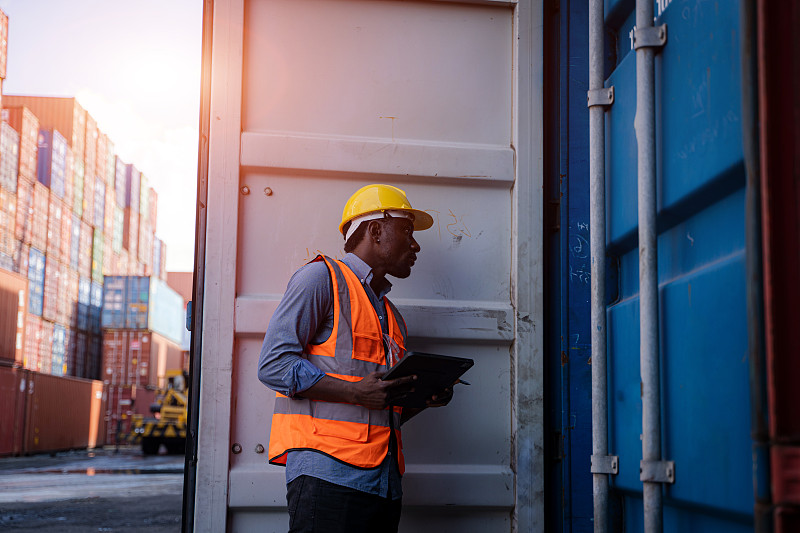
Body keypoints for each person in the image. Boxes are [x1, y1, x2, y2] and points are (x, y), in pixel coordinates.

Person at [258, 184, 453, 533]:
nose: (415, 244)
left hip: (384, 484)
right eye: (406, 230)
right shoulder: (320, 279)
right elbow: (274, 365)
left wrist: (423, 398)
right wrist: (354, 393)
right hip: (329, 479)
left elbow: (377, 405)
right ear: (375, 230)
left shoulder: (390, 315)